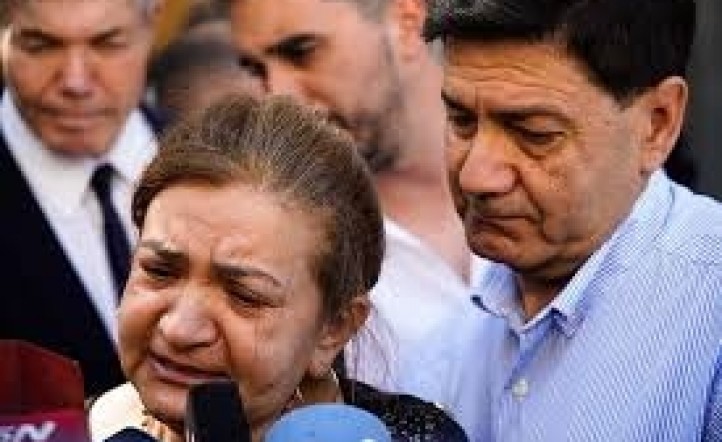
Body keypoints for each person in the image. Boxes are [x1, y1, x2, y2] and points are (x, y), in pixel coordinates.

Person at [400, 0, 722, 440]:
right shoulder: (438, 360)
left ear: (657, 124)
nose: (476, 175)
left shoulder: (710, 317)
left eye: (534, 135)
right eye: (461, 121)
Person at [88, 94, 468, 442]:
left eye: (244, 296)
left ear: (333, 328)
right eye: (159, 271)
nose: (179, 329)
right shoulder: (82, 428)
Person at [228, 0, 485, 395]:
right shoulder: (283, 249)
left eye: (302, 52)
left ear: (408, 23)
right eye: (257, 70)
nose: (278, 95)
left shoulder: (549, 182)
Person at [0, 0, 162, 396]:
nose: (75, 81)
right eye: (40, 45)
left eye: (107, 43)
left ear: (151, 24)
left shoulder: (228, 162)